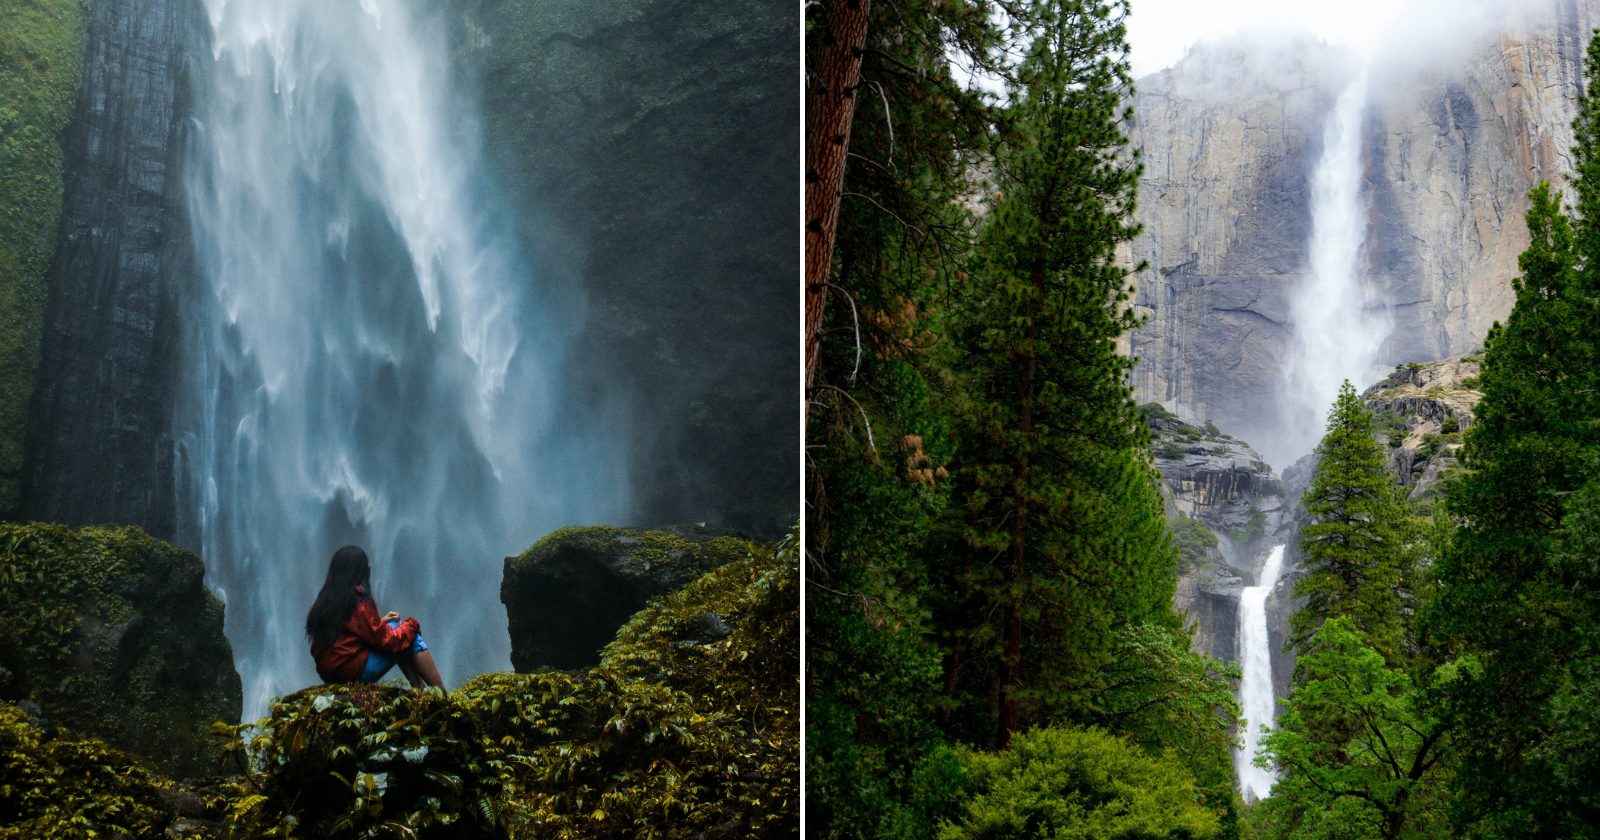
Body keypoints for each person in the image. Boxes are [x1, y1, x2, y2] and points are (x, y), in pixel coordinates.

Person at [306, 544, 446, 693]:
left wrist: (380, 622)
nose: (370, 566)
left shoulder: (326, 599)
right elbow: (389, 642)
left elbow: (350, 634)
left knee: (394, 627)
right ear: (359, 570)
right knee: (409, 638)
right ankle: (443, 696)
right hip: (352, 672)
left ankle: (420, 690)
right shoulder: (357, 601)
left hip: (331, 673)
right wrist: (412, 625)